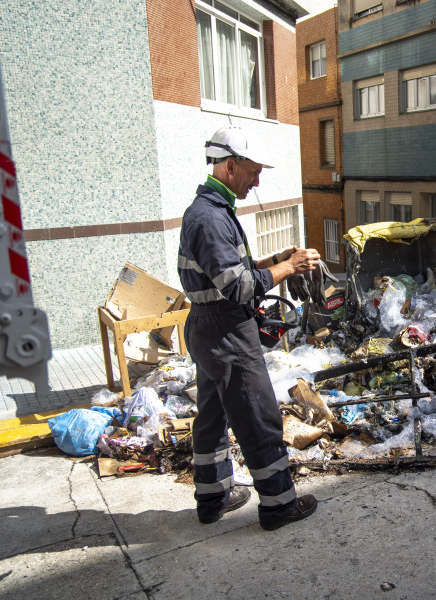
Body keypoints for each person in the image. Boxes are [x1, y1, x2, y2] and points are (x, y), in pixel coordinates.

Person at [178, 125, 319, 529]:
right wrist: (289, 267)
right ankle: (278, 505)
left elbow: (231, 273)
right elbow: (238, 288)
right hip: (225, 332)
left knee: (212, 414)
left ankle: (213, 498)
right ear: (228, 165)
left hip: (208, 330)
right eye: (253, 171)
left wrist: (276, 259)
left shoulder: (211, 211)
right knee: (258, 416)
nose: (257, 180)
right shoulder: (209, 218)